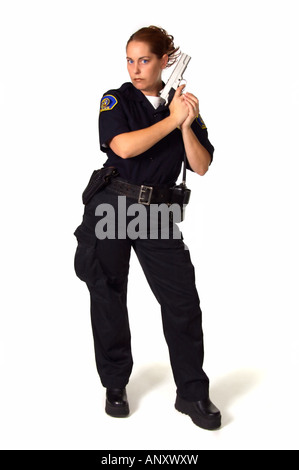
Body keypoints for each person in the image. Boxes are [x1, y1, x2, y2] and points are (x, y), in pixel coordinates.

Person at [74, 25, 221, 430]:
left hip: (157, 212)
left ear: (164, 61)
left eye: (145, 60)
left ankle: (192, 394)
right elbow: (122, 147)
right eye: (130, 59)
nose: (136, 68)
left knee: (182, 303)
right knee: (108, 293)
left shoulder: (181, 106)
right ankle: (115, 383)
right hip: (114, 202)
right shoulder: (116, 98)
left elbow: (202, 165)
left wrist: (185, 123)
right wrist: (171, 120)